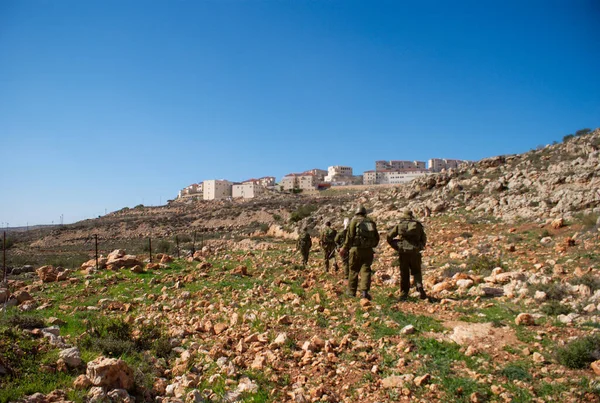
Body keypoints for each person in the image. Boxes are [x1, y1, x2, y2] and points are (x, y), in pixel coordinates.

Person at [386, 209, 428, 301]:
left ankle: (404, 294)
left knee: (404, 273)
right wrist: (419, 246)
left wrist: (396, 246)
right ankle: (420, 287)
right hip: (415, 252)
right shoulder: (417, 225)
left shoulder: (400, 224)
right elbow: (423, 238)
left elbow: (389, 236)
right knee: (416, 271)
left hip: (403, 252)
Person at [340, 205, 379, 300]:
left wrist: (344, 248)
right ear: (365, 213)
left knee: (353, 270)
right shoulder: (371, 222)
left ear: (356, 213)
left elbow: (349, 236)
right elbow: (376, 238)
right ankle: (364, 292)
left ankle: (351, 292)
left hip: (355, 250)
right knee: (366, 270)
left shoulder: (354, 221)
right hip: (368, 251)